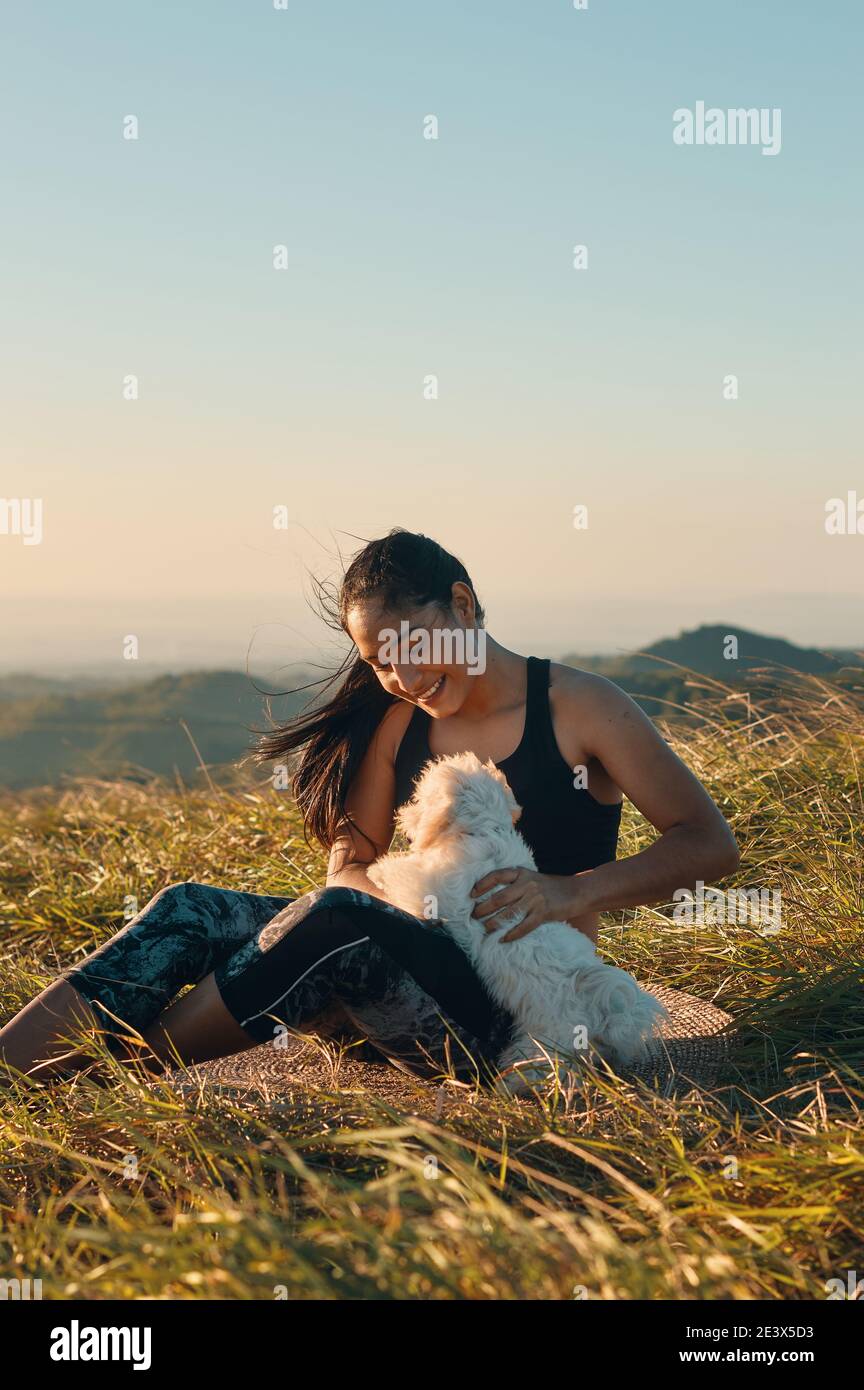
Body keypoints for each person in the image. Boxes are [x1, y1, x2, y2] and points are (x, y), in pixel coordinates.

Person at [0, 529, 739, 1085]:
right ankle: (12, 1075)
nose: (405, 675)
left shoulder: (581, 708)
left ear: (461, 603)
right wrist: (386, 911)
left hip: (514, 1013)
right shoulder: (397, 724)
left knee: (337, 924)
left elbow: (709, 844)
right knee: (192, 907)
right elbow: (350, 863)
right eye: (381, 661)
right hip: (395, 970)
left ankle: (114, 1076)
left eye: (412, 646)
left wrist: (569, 892)